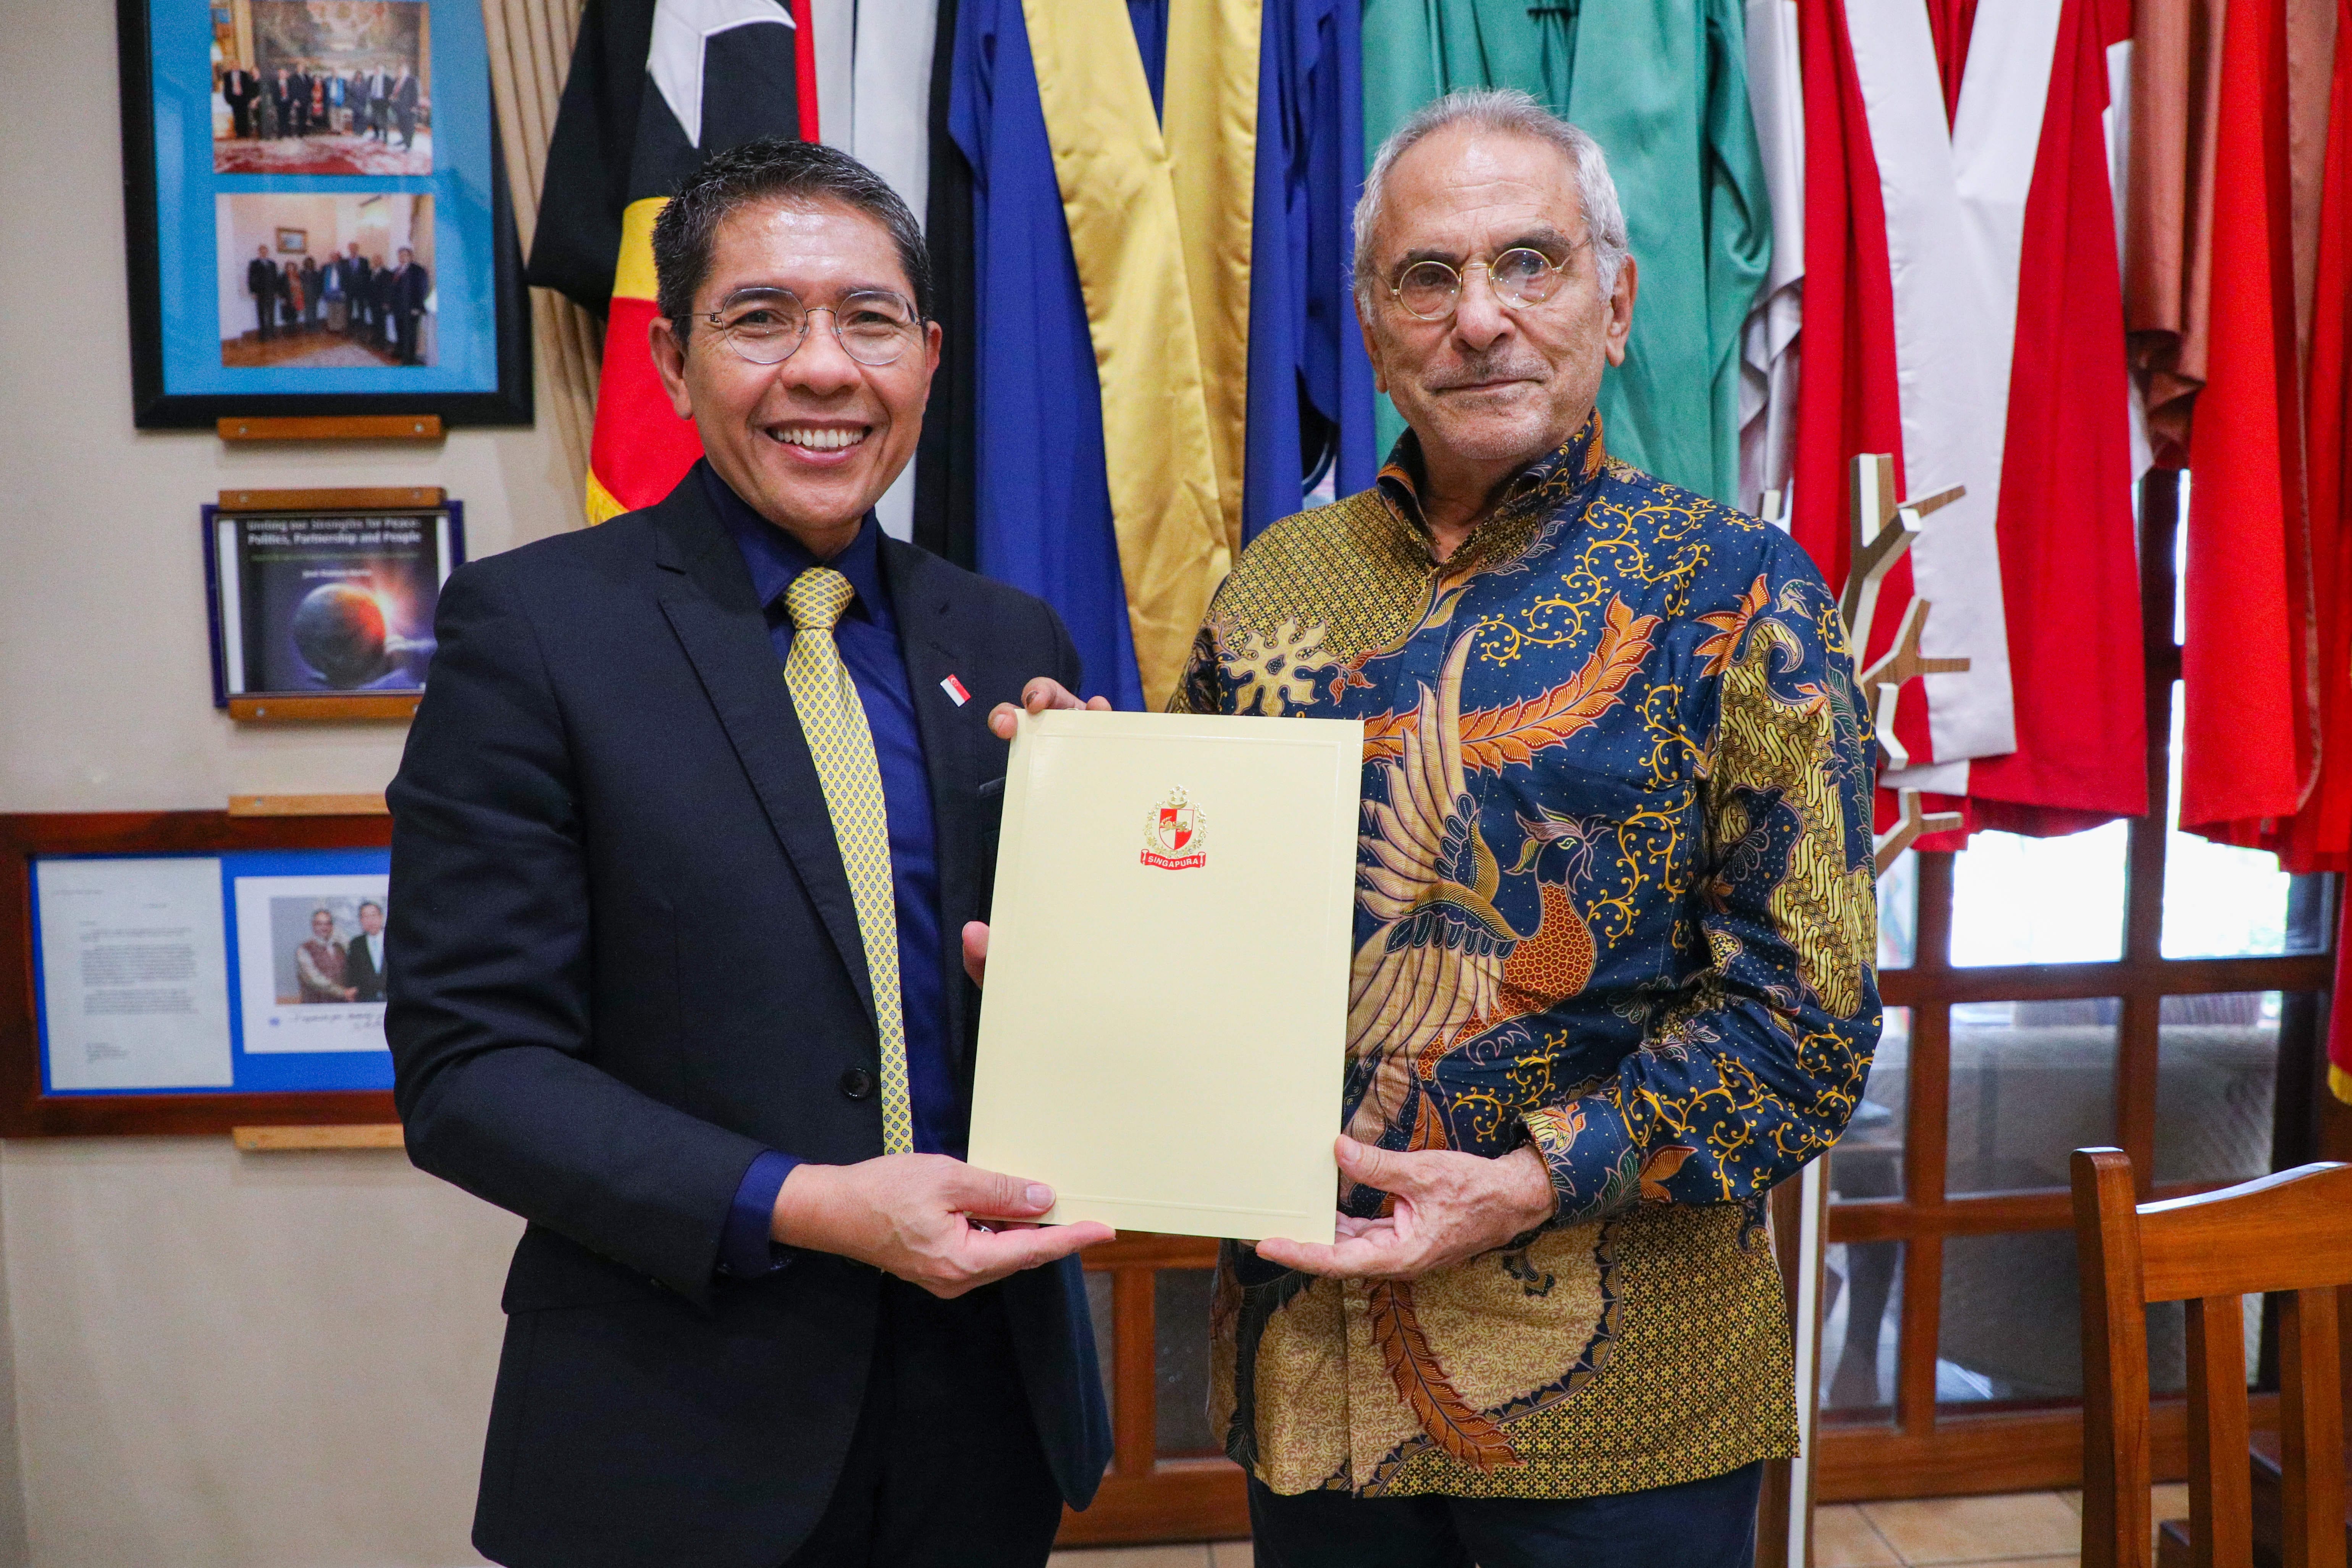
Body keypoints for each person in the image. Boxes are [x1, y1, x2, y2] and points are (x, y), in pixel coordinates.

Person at [1003, 89, 1881, 1568]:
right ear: (1369, 318)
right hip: (1312, 1368)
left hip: (1621, 1397)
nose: (1479, 317)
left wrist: (1530, 1179)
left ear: (1615, 298)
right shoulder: (1275, 589)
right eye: (1428, 275)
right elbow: (1204, 941)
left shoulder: (1732, 590)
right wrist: (1090, 845)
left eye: (1526, 262)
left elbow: (1807, 1017)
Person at [384, 136, 1115, 1568]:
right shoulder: (534, 633)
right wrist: (814, 1204)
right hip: (679, 1434)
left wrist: (1104, 883)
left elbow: (1039, 1004)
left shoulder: (1010, 641)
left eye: (869, 319)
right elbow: (472, 1073)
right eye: (762, 317)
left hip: (984, 1426)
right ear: (670, 361)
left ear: (930, 354)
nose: (824, 368)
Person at [295, 909, 349, 1003]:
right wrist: (343, 992)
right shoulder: (304, 949)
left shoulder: (340, 947)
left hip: (341, 1004)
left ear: (332, 926)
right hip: (315, 1007)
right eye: (320, 924)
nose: (324, 928)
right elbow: (314, 979)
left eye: (328, 924)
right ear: (313, 926)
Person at [388, 246, 428, 363]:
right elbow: (393, 289)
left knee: (410, 334)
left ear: (410, 256)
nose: (402, 257)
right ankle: (399, 352)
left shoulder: (418, 270)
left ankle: (409, 359)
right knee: (399, 331)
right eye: (400, 255)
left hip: (411, 309)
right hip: (398, 309)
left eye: (405, 255)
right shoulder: (396, 270)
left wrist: (418, 307)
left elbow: (423, 289)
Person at [344, 900, 386, 1003]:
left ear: (381, 917)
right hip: (366, 999)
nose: (370, 921)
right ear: (361, 920)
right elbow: (352, 973)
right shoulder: (356, 944)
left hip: (392, 999)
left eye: (373, 916)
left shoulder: (393, 939)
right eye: (366, 917)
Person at [247, 245, 277, 340]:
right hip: (260, 292)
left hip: (271, 292)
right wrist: (253, 292)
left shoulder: (272, 263)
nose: (264, 253)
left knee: (272, 313)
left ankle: (272, 333)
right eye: (262, 251)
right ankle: (263, 335)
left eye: (265, 251)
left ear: (267, 252)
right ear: (259, 252)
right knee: (261, 313)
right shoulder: (254, 264)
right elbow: (251, 278)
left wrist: (276, 291)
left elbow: (275, 278)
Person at [220, 65, 259, 140]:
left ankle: (246, 133)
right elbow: (226, 88)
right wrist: (228, 99)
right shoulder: (227, 75)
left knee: (245, 115)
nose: (235, 66)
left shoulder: (244, 74)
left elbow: (248, 87)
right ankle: (239, 133)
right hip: (234, 99)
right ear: (231, 66)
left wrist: (248, 99)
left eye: (237, 64)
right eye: (233, 65)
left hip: (243, 98)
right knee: (236, 116)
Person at [341, 243, 372, 335]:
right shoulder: (344, 261)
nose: (353, 249)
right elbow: (343, 276)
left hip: (361, 290)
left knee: (361, 309)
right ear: (349, 249)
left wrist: (366, 290)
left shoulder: (364, 261)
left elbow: (368, 276)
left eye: (354, 248)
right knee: (348, 309)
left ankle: (361, 330)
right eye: (351, 248)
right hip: (349, 290)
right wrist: (344, 289)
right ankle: (349, 329)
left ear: (357, 249)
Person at [388, 63, 420, 150]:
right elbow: (395, 92)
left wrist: (415, 106)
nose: (400, 72)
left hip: (409, 109)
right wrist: (392, 98)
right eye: (399, 71)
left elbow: (416, 94)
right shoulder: (396, 81)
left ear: (407, 71)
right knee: (402, 126)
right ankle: (404, 140)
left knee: (409, 127)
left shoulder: (413, 81)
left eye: (402, 71)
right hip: (399, 108)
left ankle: (408, 146)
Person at [300, 254, 322, 330]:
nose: (309, 264)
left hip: (314, 294)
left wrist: (319, 295)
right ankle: (308, 325)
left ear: (313, 264)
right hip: (305, 294)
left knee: (314, 310)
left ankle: (314, 325)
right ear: (305, 264)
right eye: (307, 263)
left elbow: (320, 285)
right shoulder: (301, 273)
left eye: (310, 263)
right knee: (307, 310)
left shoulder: (316, 273)